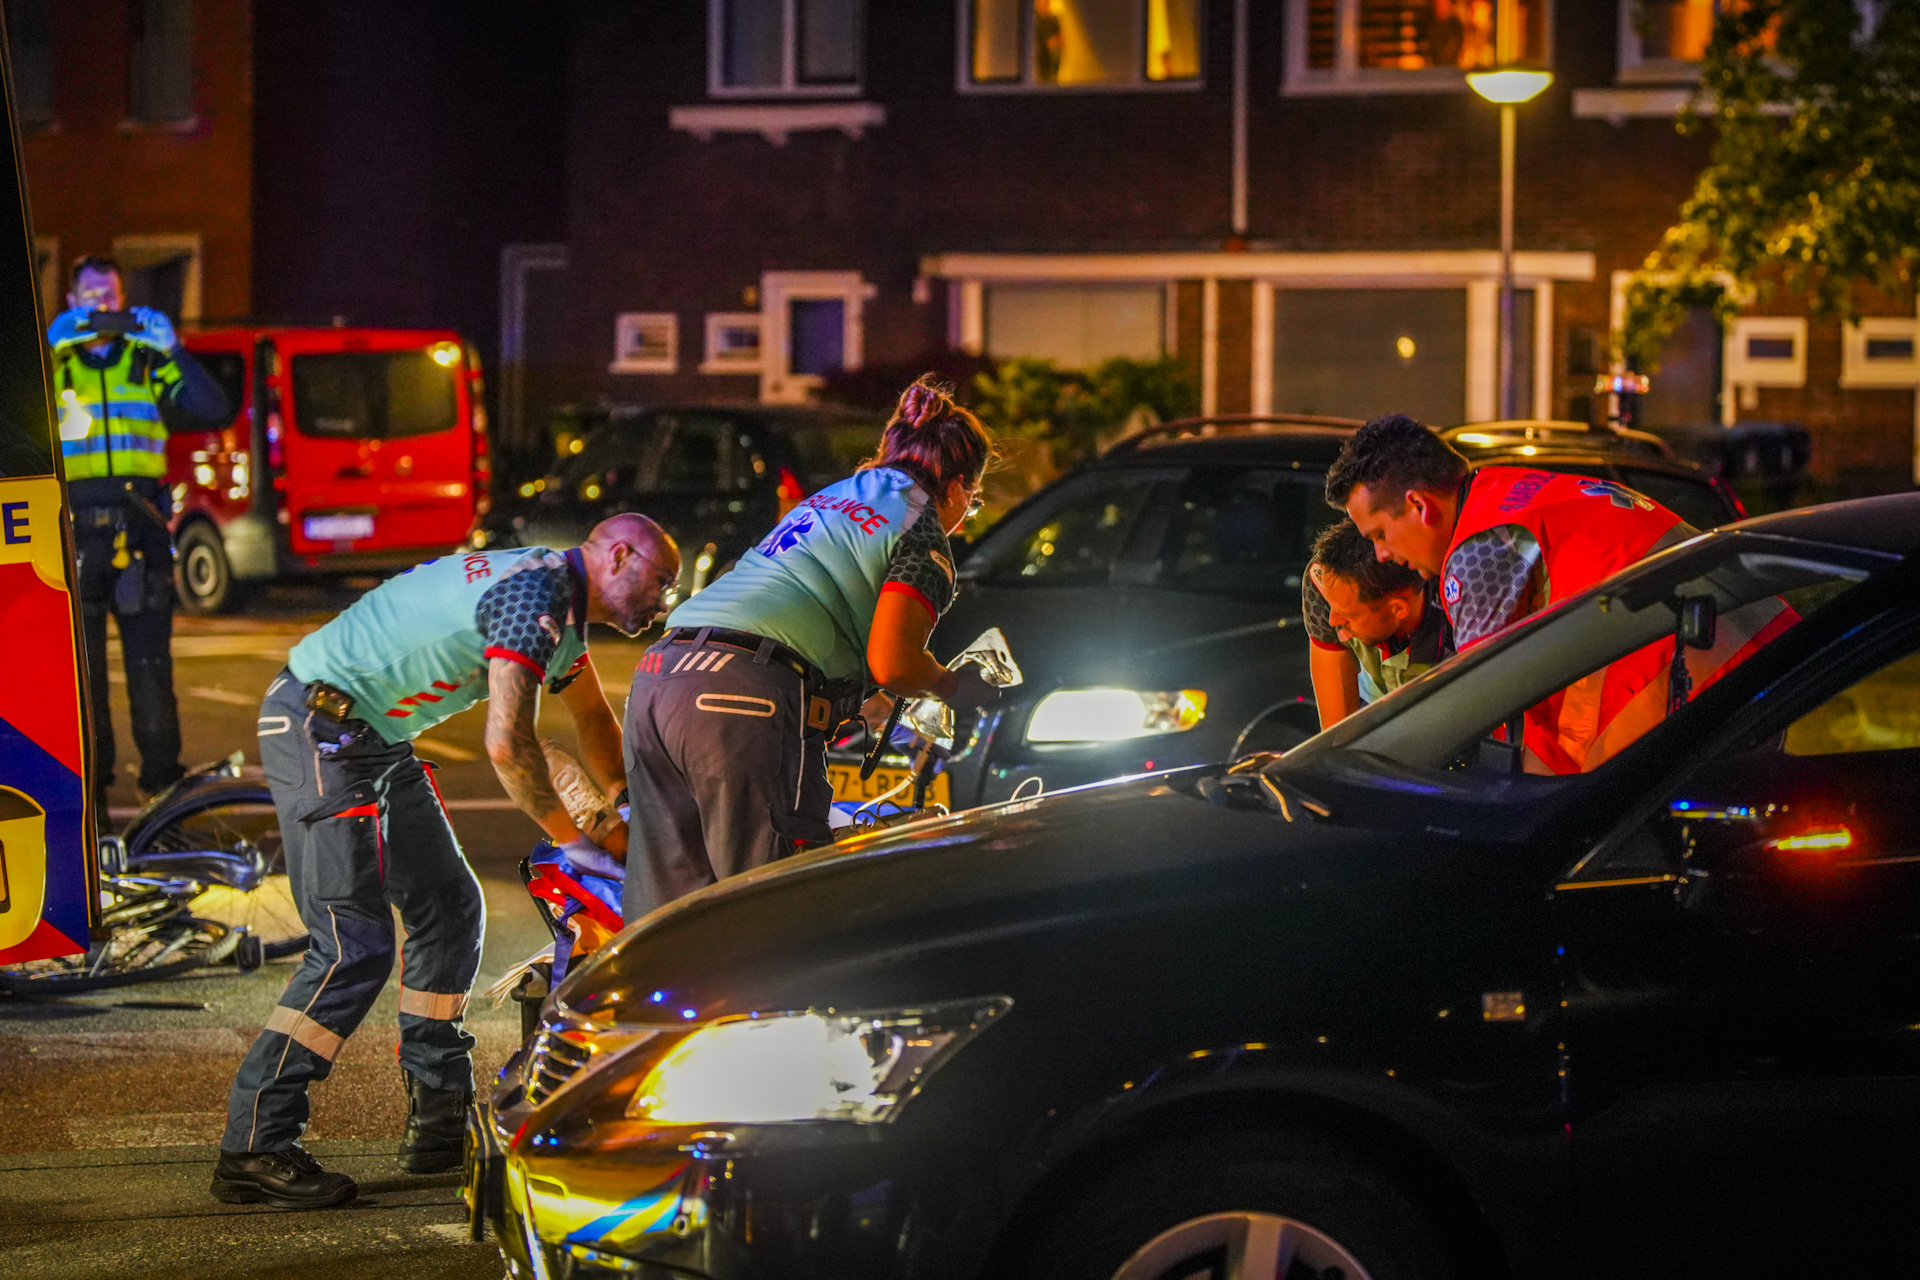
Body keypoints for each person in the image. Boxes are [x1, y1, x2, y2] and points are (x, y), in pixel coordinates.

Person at [212, 515, 681, 1209]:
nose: (665, 602)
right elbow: (507, 745)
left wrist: (626, 811)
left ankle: (437, 1119)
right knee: (352, 946)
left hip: (372, 735)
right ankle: (255, 1145)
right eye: (662, 583)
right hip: (322, 727)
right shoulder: (535, 596)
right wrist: (578, 842)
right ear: (617, 557)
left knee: (450, 907)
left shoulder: (561, 606)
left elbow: (592, 722)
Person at [623, 375, 997, 922]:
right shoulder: (923, 532)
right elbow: (893, 663)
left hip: (661, 673)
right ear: (960, 487)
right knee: (772, 903)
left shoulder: (830, 498)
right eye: (975, 501)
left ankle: (641, 1010)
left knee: (668, 913)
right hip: (744, 696)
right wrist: (952, 685)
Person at [1326, 413, 1706, 773]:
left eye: (1380, 535)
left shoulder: (1480, 547)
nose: (1381, 555)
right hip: (1728, 659)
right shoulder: (1503, 492)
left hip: (1692, 690)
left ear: (1418, 505)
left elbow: (1474, 707)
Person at [48, 254, 230, 805]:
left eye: (109, 294)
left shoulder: (146, 362)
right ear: (71, 302)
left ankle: (161, 798)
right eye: (90, 294)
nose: (100, 303)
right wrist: (46, 347)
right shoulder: (51, 366)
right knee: (82, 681)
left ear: (123, 301)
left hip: (140, 535)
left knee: (151, 671)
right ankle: (90, 803)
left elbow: (212, 408)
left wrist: (171, 347)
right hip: (72, 535)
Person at [1301, 518, 1451, 728]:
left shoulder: (1456, 605)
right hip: (1372, 707)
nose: (1333, 620)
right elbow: (1338, 731)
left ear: (1398, 609)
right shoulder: (1323, 584)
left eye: (1349, 615)